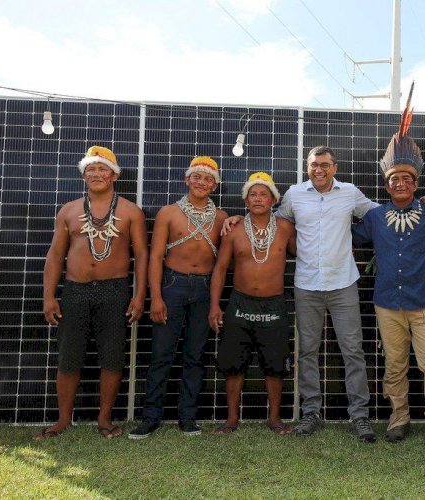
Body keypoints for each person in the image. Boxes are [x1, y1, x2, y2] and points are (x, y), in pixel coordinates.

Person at [221, 145, 380, 442]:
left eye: (324, 164)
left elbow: (378, 214)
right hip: (306, 285)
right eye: (313, 165)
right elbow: (269, 222)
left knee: (353, 351)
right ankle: (311, 413)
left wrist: (416, 207)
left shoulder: (349, 192)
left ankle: (359, 416)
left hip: (343, 283)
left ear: (334, 167)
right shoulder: (295, 194)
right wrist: (235, 219)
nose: (318, 170)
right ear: (307, 167)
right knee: (307, 351)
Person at [351, 91, 425, 447]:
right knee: (394, 365)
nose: (400, 183)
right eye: (394, 179)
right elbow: (347, 237)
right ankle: (399, 417)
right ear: (386, 183)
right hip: (386, 304)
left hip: (424, 302)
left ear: (416, 183)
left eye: (407, 179)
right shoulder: (375, 217)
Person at [39, 145, 148, 439]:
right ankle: (63, 420)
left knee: (111, 357)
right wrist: (49, 296)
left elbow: (142, 256)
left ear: (113, 176)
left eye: (102, 169)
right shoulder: (69, 210)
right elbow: (54, 256)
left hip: (114, 291)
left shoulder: (130, 211)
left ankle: (104, 419)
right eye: (91, 169)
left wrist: (139, 296)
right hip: (75, 290)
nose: (96, 174)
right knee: (68, 357)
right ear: (84, 175)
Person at [129, 156, 227, 439]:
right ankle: (150, 417)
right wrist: (155, 297)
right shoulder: (168, 213)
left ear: (214, 186)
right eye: (197, 177)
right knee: (161, 353)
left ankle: (187, 417)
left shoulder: (220, 218)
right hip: (172, 285)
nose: (202, 182)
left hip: (205, 289)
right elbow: (156, 256)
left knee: (195, 356)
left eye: (208, 179)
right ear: (187, 180)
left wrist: (235, 218)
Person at [208, 172, 296, 435]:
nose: (258, 199)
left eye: (263, 194)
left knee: (275, 364)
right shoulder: (233, 229)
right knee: (234, 363)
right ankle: (231, 419)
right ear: (246, 201)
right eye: (253, 194)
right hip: (240, 303)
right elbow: (220, 269)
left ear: (273, 200)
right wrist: (215, 305)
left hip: (275, 304)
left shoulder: (285, 227)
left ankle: (275, 419)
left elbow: (306, 252)